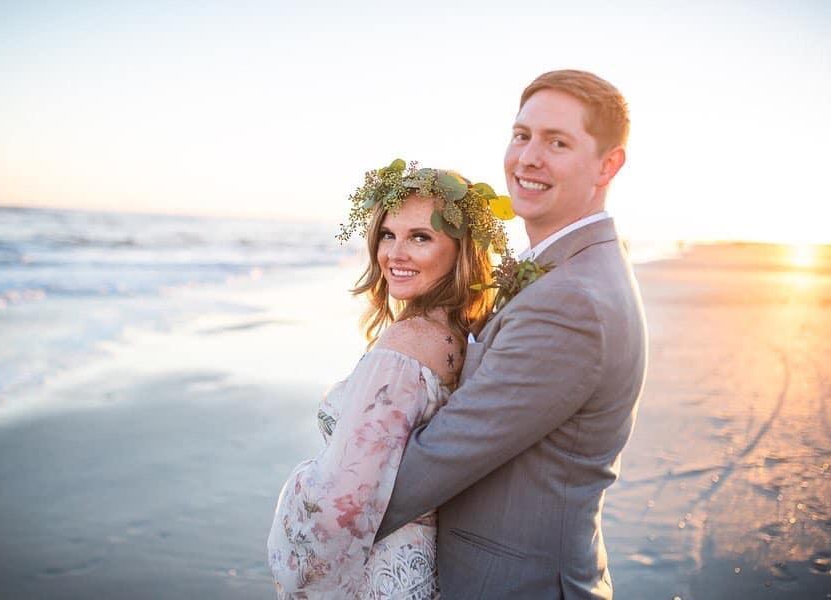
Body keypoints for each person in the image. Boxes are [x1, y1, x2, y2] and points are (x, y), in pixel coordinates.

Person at [375, 70, 648, 599]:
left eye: (557, 142)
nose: (528, 158)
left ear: (608, 164)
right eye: (522, 135)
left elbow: (447, 453)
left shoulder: (572, 299)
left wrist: (321, 516)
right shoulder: (565, 269)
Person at [267, 160, 511, 598]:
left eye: (420, 237)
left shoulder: (407, 346)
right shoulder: (462, 336)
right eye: (387, 234)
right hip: (427, 568)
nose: (394, 254)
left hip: (380, 575)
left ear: (461, 249)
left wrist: (298, 490)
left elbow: (339, 509)